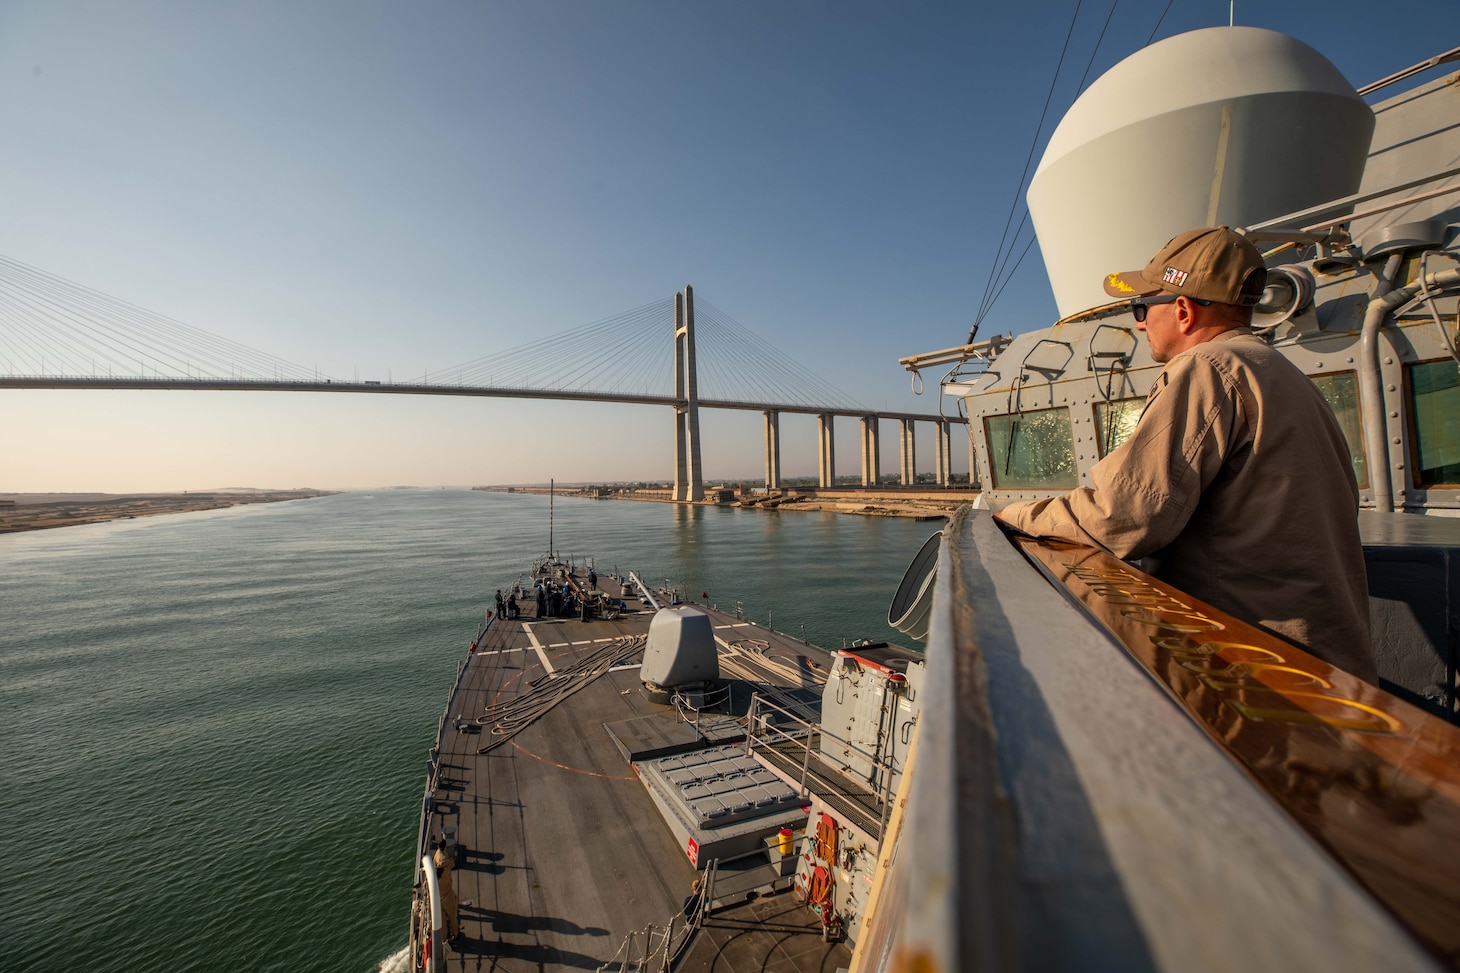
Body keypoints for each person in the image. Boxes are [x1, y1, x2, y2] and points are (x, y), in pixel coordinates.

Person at [995, 226, 1376, 682]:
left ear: (1181, 310)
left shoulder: (1208, 368)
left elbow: (1124, 514)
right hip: (1326, 664)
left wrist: (1009, 515)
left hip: (1255, 667)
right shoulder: (1280, 373)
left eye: (1141, 307)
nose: (1138, 323)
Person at [432, 841, 462, 945]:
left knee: (443, 921)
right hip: (447, 895)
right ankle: (455, 935)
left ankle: (444, 939)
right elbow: (452, 864)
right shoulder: (446, 862)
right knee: (452, 916)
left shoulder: (437, 855)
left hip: (437, 897)